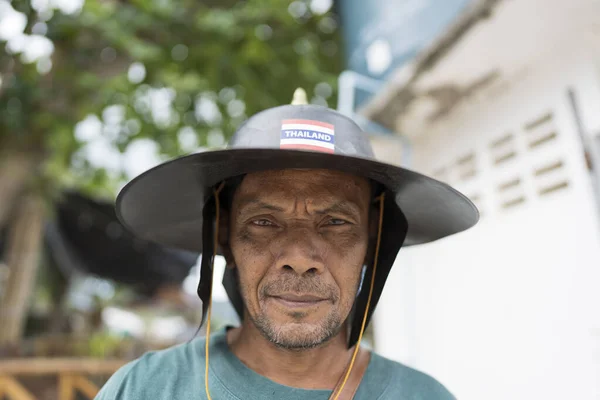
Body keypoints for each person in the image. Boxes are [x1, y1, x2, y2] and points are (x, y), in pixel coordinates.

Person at [96, 89, 478, 399]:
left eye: (335, 222)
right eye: (264, 222)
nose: (298, 258)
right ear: (225, 236)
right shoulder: (143, 390)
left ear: (372, 238)